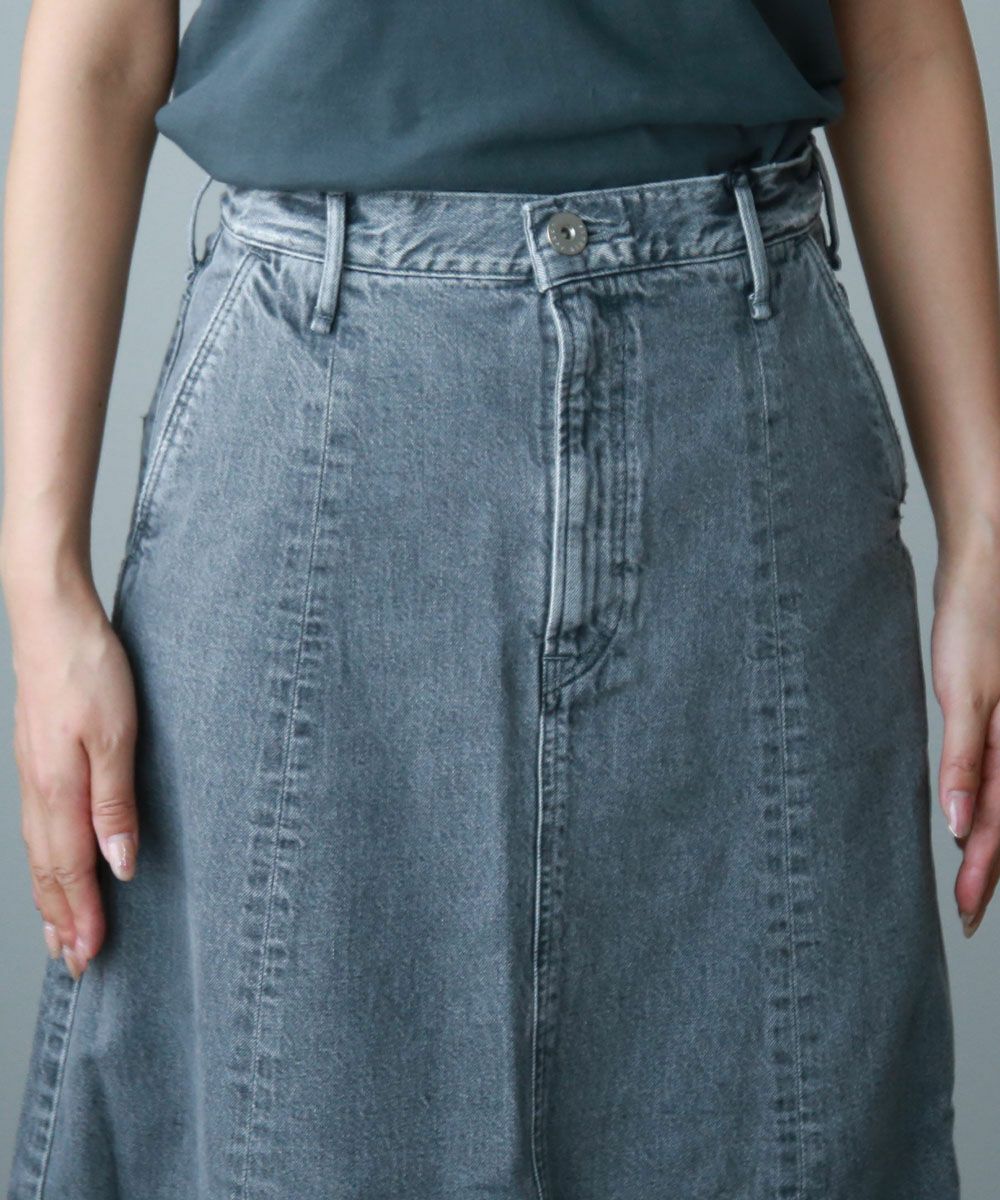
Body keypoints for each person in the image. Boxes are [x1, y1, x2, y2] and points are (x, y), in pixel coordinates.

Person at [2, 0, 996, 1195]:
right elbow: (100, 53)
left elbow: (899, 41)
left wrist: (987, 531)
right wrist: (39, 586)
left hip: (736, 430)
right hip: (321, 429)